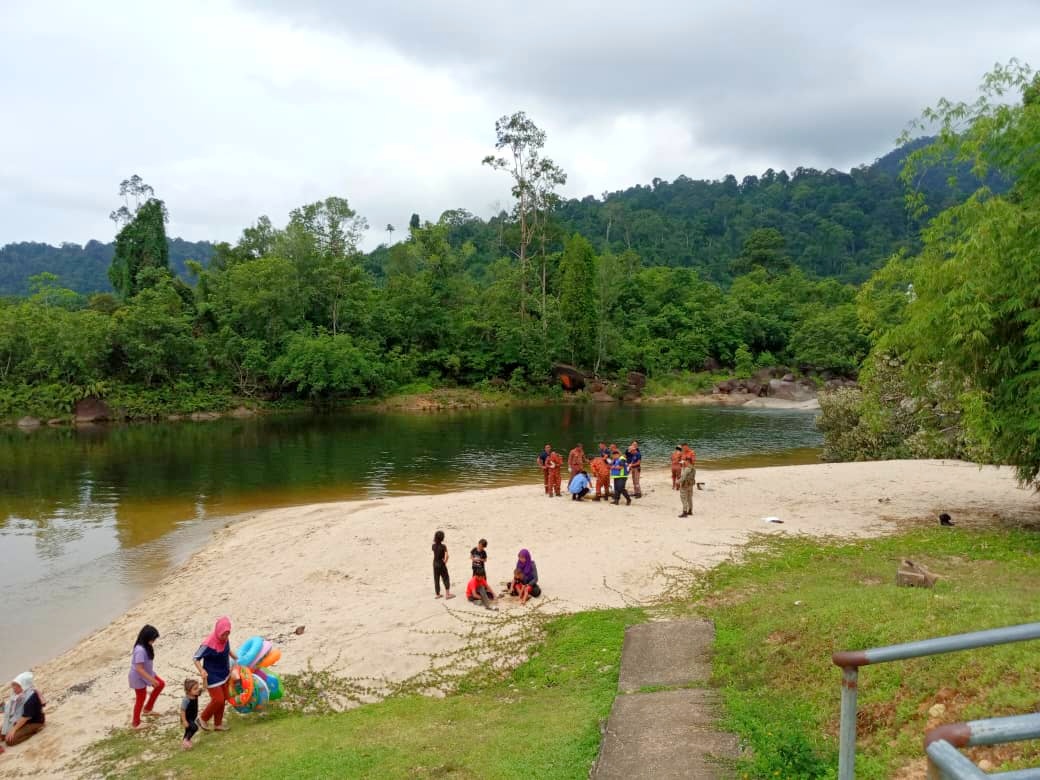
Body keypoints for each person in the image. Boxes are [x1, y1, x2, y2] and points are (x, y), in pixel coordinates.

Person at [193, 617, 237, 732]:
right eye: (223, 635)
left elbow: (227, 650)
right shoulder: (208, 644)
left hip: (224, 673)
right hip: (212, 675)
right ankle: (202, 718)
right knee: (218, 699)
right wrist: (201, 671)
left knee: (223, 699)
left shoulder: (225, 639)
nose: (225, 637)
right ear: (218, 631)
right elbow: (196, 658)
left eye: (228, 634)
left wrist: (237, 658)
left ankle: (218, 724)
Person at [129, 624, 165, 728]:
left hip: (148, 673)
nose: (154, 641)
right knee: (141, 698)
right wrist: (152, 680)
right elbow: (139, 669)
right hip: (138, 677)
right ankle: (136, 723)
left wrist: (151, 678)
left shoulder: (146, 646)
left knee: (161, 684)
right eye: (153, 639)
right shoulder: (140, 650)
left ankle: (148, 709)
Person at [2, 673, 45, 747]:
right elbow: (10, 707)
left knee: (10, 741)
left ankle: (34, 730)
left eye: (17, 685)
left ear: (24, 686)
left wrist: (13, 730)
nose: (14, 688)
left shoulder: (31, 698)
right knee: (2, 734)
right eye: (14, 684)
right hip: (19, 719)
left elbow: (25, 717)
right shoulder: (18, 693)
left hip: (32, 722)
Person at [432, 530, 455, 600]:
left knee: (436, 579)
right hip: (441, 563)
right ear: (442, 538)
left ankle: (438, 594)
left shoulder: (433, 546)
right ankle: (447, 594)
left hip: (435, 563)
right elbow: (447, 556)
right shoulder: (443, 546)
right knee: (445, 577)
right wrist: (445, 562)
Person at [180, 679, 202, 750]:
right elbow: (182, 711)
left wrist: (204, 679)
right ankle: (186, 740)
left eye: (197, 687)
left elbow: (205, 687)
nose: (198, 690)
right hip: (187, 718)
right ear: (188, 691)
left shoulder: (196, 695)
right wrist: (184, 721)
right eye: (195, 689)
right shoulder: (186, 700)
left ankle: (184, 744)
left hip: (192, 717)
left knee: (188, 730)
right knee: (194, 727)